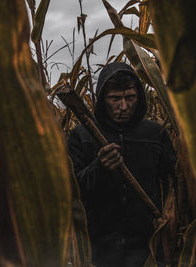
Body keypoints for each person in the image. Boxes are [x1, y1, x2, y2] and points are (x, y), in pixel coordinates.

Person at [68, 62, 176, 267]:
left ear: (139, 97)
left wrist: (168, 227)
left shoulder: (155, 135)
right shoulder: (82, 136)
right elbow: (70, 193)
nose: (124, 106)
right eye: (115, 99)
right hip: (98, 251)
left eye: (130, 97)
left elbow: (174, 186)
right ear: (102, 100)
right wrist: (98, 168)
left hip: (149, 251)